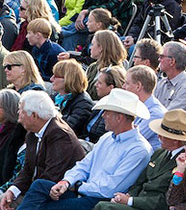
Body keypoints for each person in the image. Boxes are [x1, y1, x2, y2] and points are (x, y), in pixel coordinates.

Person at [14, 88, 153, 210]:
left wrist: (78, 185)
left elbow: (110, 189)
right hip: (83, 192)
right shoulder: (107, 138)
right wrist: (66, 181)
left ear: (119, 118)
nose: (103, 116)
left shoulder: (139, 149)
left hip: (99, 200)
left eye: (107, 112)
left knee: (43, 206)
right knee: (40, 186)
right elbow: (84, 165)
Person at [91, 109, 186, 210]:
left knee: (104, 207)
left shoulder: (184, 163)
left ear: (175, 140)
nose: (158, 136)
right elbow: (140, 182)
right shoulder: (159, 153)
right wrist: (127, 196)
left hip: (151, 206)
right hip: (139, 201)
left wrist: (130, 201)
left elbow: (166, 199)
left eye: (163, 135)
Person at [0, 90, 85, 210]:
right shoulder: (32, 133)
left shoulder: (59, 134)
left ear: (34, 115)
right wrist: (13, 190)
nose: (18, 115)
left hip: (58, 194)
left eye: (22, 111)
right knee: (4, 199)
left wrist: (25, 195)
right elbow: (28, 169)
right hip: (37, 190)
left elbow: (52, 176)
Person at [50, 60, 94, 138]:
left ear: (68, 78)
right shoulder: (54, 97)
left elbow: (68, 128)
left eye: (55, 76)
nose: (51, 79)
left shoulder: (83, 103)